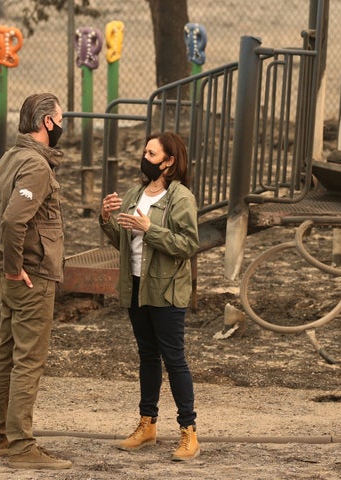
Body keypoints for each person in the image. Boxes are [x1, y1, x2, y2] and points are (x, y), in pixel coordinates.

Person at [0, 92, 71, 470]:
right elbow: (13, 220)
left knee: (6, 355)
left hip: (15, 277)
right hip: (33, 278)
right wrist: (10, 264)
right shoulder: (34, 165)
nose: (63, 125)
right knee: (28, 360)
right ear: (48, 122)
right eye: (60, 118)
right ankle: (22, 448)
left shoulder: (10, 158)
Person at [99, 131, 201, 461]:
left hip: (166, 290)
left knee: (175, 359)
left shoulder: (181, 198)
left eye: (152, 153)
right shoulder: (134, 193)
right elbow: (123, 242)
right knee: (147, 356)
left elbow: (188, 245)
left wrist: (150, 229)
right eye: (146, 151)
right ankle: (148, 425)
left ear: (169, 162)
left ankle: (189, 432)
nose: (145, 157)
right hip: (135, 287)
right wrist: (107, 220)